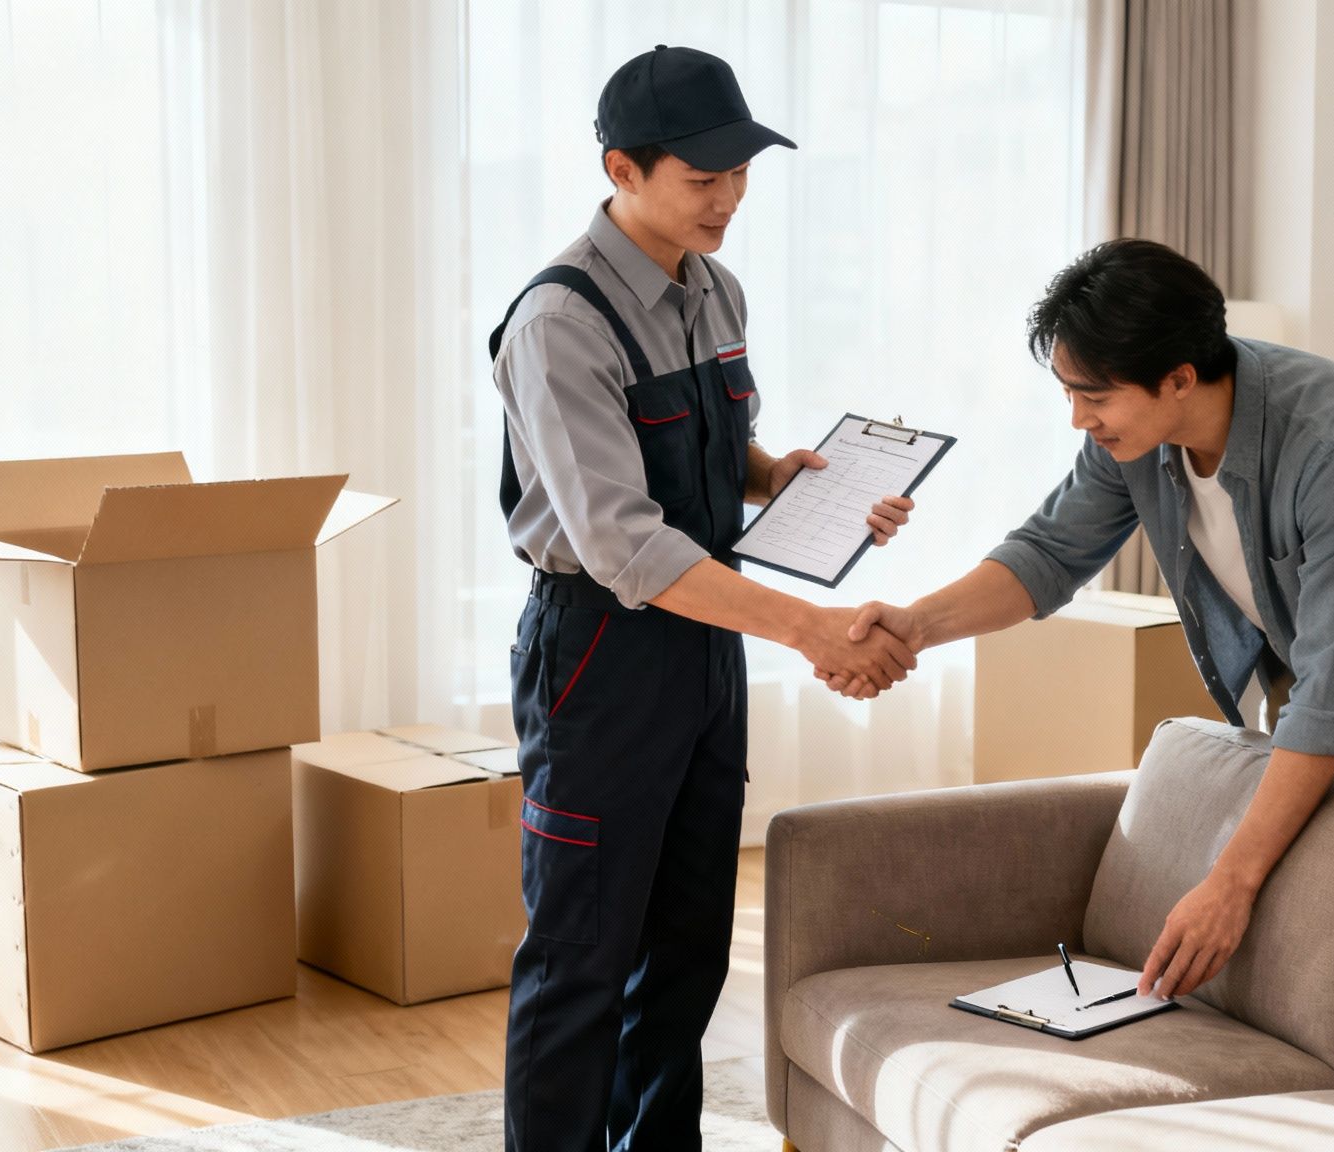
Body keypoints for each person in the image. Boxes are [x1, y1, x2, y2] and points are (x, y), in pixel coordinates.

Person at [826, 238, 1334, 1004]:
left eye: (1093, 396)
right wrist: (916, 625)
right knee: (1326, 916)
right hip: (1310, 671)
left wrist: (1227, 880)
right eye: (1067, 392)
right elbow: (1048, 555)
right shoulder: (1132, 435)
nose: (1077, 419)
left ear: (1180, 378)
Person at [487, 45, 916, 1152]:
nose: (726, 198)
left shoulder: (713, 287)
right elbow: (623, 541)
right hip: (598, 651)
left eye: (739, 173)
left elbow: (706, 463)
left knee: (688, 944)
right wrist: (817, 629)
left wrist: (787, 480)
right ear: (621, 169)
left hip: (703, 647)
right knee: (581, 951)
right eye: (700, 177)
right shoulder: (558, 323)